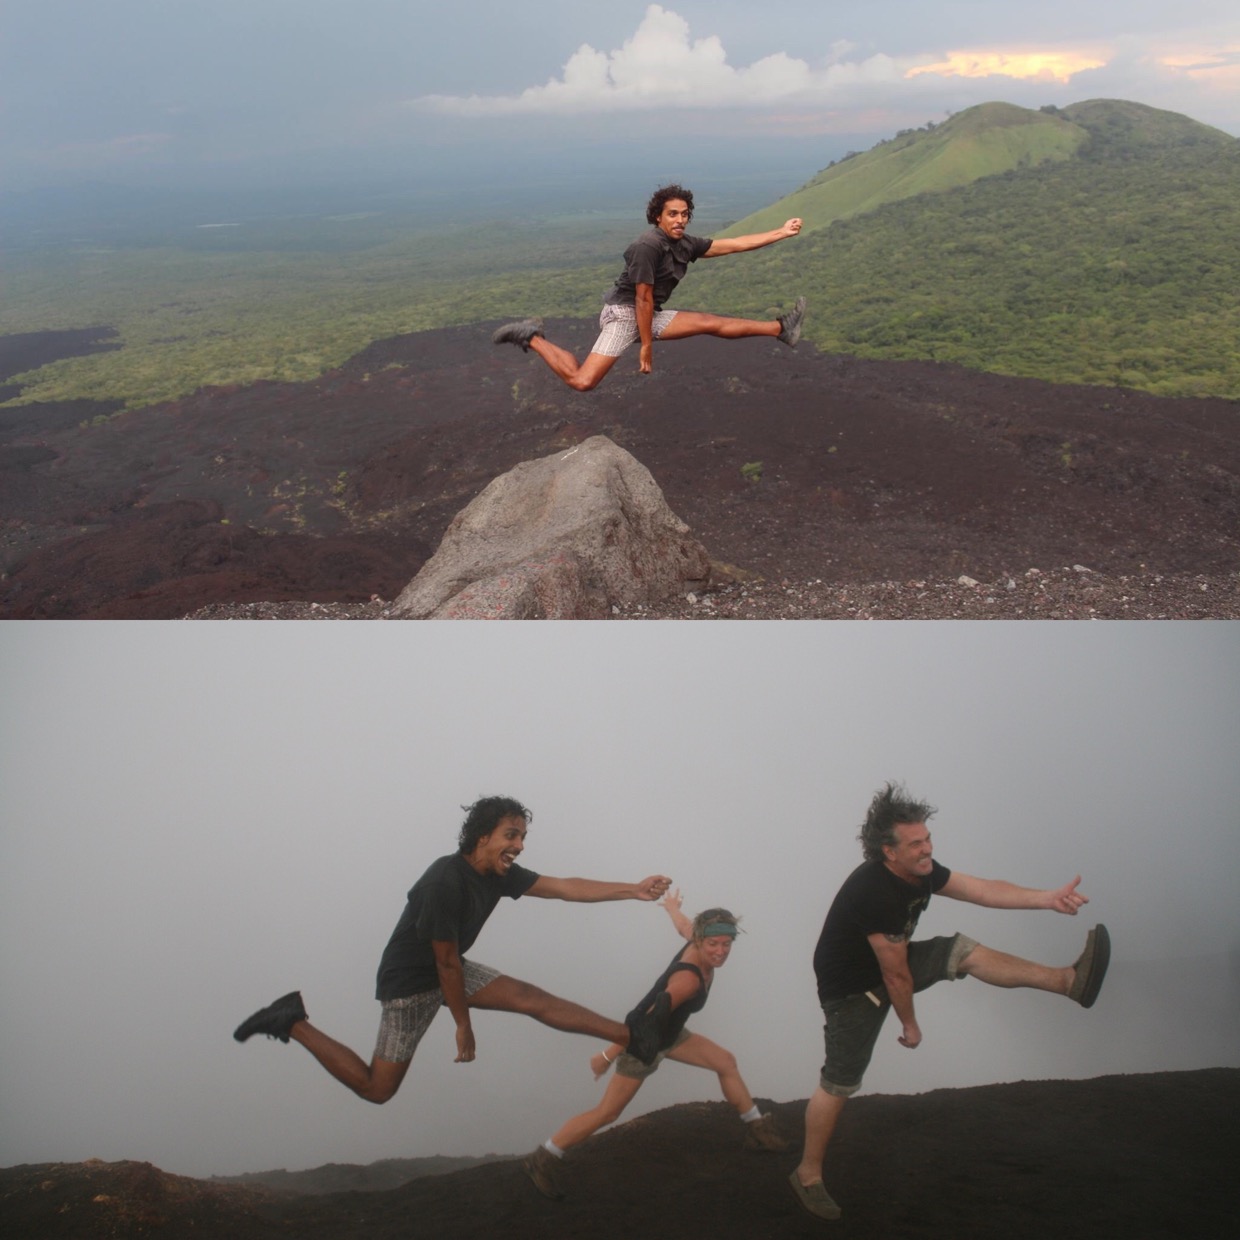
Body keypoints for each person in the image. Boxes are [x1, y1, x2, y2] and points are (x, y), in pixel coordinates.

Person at [790, 782, 1111, 1222]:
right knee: (839, 1083)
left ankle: (1068, 981)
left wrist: (1046, 899)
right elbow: (895, 974)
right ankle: (808, 1175)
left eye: (927, 839)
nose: (927, 850)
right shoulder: (875, 893)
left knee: (963, 953)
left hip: (888, 965)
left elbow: (981, 889)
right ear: (889, 852)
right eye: (916, 844)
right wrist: (911, 1025)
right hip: (851, 993)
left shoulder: (920, 870)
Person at [233, 796, 673, 1104]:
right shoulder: (444, 882)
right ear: (482, 836)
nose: (519, 845)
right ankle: (292, 1020)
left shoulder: (500, 874)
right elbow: (443, 963)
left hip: (449, 970)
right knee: (377, 1089)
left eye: (522, 836)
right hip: (410, 982)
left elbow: (563, 887)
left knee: (530, 999)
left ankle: (631, 1036)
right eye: (511, 835)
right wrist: (462, 1025)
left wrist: (631, 890)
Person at [522, 889, 788, 1201]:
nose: (720, 951)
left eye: (726, 944)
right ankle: (543, 1156)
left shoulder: (696, 936)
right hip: (643, 1044)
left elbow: (683, 926)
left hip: (671, 1035)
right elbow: (642, 1021)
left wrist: (672, 908)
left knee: (725, 1062)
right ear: (701, 942)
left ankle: (757, 1131)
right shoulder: (688, 980)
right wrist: (608, 1054)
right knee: (607, 1112)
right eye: (714, 944)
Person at [491, 183, 806, 392]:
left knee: (711, 323)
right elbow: (641, 300)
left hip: (646, 314)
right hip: (625, 315)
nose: (680, 219)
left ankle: (781, 328)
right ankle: (531, 336)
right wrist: (646, 346)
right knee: (583, 381)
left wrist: (781, 232)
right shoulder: (647, 246)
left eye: (685, 214)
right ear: (658, 217)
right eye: (673, 214)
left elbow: (732, 244)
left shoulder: (684, 242)